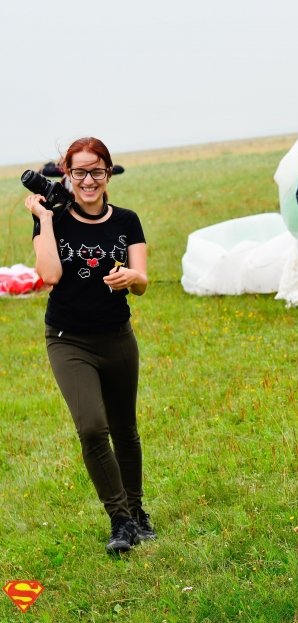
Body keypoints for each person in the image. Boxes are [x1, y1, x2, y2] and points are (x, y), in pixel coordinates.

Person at [25, 137, 153, 555]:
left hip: (118, 338)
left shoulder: (128, 221)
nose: (88, 180)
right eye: (78, 172)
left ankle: (137, 513)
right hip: (69, 340)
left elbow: (143, 283)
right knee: (93, 427)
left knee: (125, 429)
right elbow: (49, 275)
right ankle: (119, 520)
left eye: (96, 171)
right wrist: (44, 220)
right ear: (67, 175)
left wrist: (130, 278)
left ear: (108, 173)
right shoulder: (53, 219)